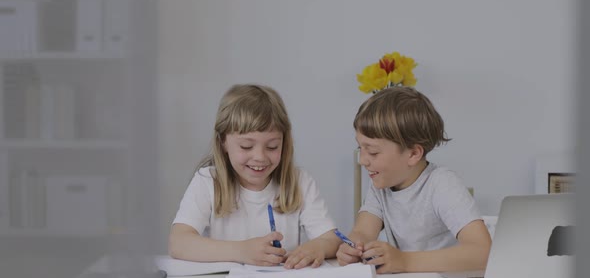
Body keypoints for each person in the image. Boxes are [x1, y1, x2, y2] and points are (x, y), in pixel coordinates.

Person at [169, 84, 341, 269]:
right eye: (246, 146)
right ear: (223, 143)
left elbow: (331, 239)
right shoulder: (208, 181)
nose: (260, 157)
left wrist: (318, 247)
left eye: (272, 146)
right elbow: (178, 242)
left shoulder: (300, 182)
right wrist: (241, 251)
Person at [336, 86, 491, 274]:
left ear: (413, 154)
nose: (362, 160)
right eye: (360, 148)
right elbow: (363, 232)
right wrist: (353, 247)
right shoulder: (380, 186)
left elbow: (483, 252)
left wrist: (404, 261)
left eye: (373, 152)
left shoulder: (442, 184)